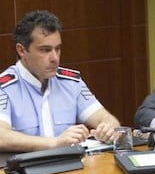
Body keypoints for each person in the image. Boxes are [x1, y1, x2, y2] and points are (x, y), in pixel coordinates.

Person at [0, 10, 120, 152]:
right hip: (24, 172)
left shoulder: (71, 82)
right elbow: (2, 136)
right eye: (45, 50)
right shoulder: (5, 87)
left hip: (69, 170)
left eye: (57, 49)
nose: (54, 58)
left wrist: (108, 128)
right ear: (21, 50)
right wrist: (55, 143)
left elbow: (105, 119)